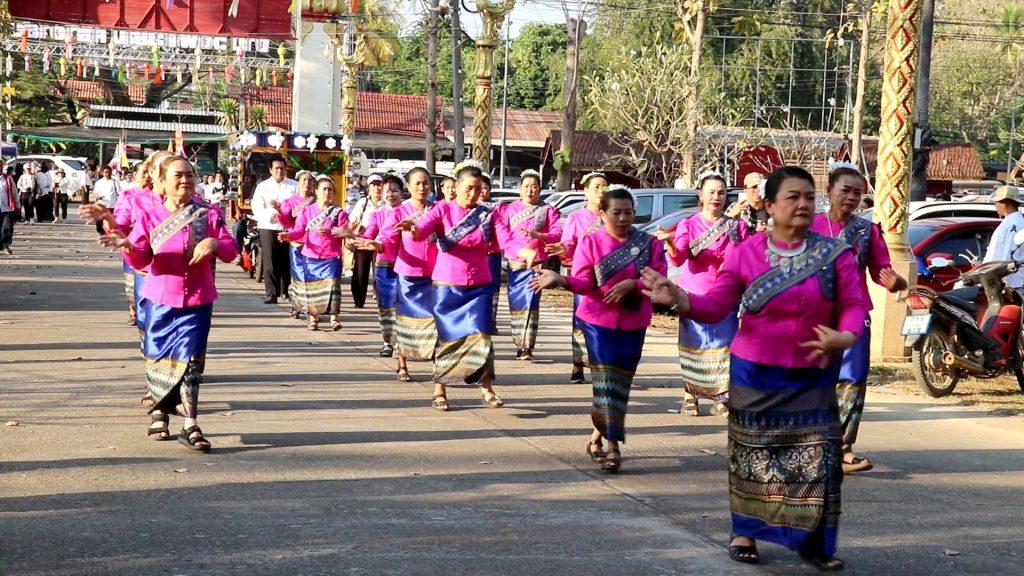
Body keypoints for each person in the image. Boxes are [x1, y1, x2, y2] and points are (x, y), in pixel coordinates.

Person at [642, 166, 868, 570]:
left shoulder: (835, 252)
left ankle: (814, 541)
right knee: (754, 459)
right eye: (792, 197)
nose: (802, 204)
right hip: (755, 372)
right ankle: (744, 530)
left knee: (820, 461)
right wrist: (677, 297)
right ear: (768, 206)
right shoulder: (744, 253)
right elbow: (715, 306)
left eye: (808, 197)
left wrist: (845, 337)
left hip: (811, 374)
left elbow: (855, 304)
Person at [99, 156, 238, 452]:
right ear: (161, 181)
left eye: (190, 175)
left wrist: (214, 244)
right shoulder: (149, 216)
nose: (185, 180)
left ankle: (191, 424)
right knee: (158, 357)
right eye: (178, 175)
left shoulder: (208, 214)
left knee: (191, 361)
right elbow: (141, 257)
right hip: (159, 298)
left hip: (197, 300)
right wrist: (126, 246)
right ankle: (160, 412)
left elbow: (230, 250)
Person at [531, 187, 666, 473]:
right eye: (615, 212)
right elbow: (584, 283)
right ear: (602, 213)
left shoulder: (649, 244)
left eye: (628, 212)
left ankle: (595, 438)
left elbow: (660, 278)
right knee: (605, 382)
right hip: (597, 322)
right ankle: (613, 446)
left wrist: (635, 285)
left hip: (633, 322)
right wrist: (560, 279)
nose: (622, 218)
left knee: (620, 385)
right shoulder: (591, 242)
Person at [811, 162, 907, 474]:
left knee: (852, 378)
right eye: (845, 190)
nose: (852, 197)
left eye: (858, 192)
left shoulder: (867, 231)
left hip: (854, 315)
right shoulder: (807, 227)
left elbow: (881, 269)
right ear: (829, 191)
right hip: (813, 314)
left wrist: (896, 282)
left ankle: (842, 447)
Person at [394, 161, 503, 411]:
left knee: (482, 337)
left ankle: (486, 388)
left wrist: (524, 250)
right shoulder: (442, 210)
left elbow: (506, 237)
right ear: (456, 186)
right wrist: (415, 230)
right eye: (469, 188)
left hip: (479, 285)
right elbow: (424, 228)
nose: (473, 194)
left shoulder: (487, 214)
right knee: (447, 339)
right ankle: (440, 389)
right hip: (447, 286)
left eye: (478, 189)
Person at [662, 172, 748, 417]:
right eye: (711, 192)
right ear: (701, 196)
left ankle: (722, 398)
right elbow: (679, 257)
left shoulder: (736, 226)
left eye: (721, 192)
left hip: (725, 296)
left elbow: (745, 257)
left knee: (724, 348)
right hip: (693, 294)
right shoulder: (688, 224)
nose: (716, 197)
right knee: (694, 346)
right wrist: (669, 245)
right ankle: (690, 396)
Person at [546, 171, 608, 383]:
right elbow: (568, 244)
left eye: (604, 187)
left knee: (606, 321)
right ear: (585, 191)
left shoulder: (612, 215)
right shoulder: (576, 217)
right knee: (582, 320)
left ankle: (603, 364)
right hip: (583, 275)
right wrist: (563, 248)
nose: (601, 192)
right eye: (596, 187)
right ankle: (578, 364)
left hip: (609, 276)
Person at [377, 168, 437, 384]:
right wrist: (376, 244)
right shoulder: (399, 212)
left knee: (433, 322)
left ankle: (435, 365)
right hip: (408, 275)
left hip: (433, 274)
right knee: (404, 320)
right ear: (409, 188)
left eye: (426, 183)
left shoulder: (438, 210)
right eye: (417, 184)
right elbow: (388, 238)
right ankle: (402, 364)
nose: (422, 188)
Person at [495, 169, 562, 360]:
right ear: (519, 188)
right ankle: (518, 342)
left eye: (534, 186)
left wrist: (540, 236)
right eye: (526, 186)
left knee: (531, 303)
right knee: (516, 301)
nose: (530, 190)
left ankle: (527, 347)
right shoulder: (507, 210)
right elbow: (503, 234)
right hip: (515, 262)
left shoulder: (548, 210)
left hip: (538, 263)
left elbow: (557, 232)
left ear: (540, 189)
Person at [279, 176, 353, 331]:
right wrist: (288, 236)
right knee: (312, 289)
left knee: (333, 287)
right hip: (310, 256)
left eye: (330, 189)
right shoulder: (307, 211)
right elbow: (299, 230)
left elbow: (346, 231)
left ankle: (334, 318)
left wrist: (331, 231)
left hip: (332, 256)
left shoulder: (339, 213)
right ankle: (313, 318)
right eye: (324, 189)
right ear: (317, 192)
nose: (327, 192)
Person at [353, 174, 405, 356]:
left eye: (395, 190)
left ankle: (403, 342)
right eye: (387, 191)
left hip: (407, 265)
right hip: (384, 264)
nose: (391, 194)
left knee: (404, 304)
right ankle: (387, 342)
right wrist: (354, 238)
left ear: (402, 191)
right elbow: (368, 235)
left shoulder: (409, 211)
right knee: (385, 304)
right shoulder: (378, 214)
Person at [251, 156, 297, 304]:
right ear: (270, 170)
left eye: (282, 168)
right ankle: (271, 293)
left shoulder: (294, 186)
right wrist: (271, 214)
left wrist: (287, 214)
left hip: (287, 228)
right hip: (268, 226)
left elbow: (298, 207)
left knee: (287, 260)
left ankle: (286, 291)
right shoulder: (262, 186)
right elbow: (257, 207)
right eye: (276, 168)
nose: (279, 171)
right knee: (270, 261)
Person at [277, 170, 317, 319]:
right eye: (304, 180)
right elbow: (286, 222)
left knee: (312, 277)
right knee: (298, 276)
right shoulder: (290, 202)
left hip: (314, 245)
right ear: (298, 183)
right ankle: (297, 305)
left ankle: (312, 307)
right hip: (297, 243)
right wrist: (279, 213)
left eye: (310, 180)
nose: (307, 183)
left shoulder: (319, 201)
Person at [348, 174, 386, 308]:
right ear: (369, 187)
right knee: (360, 271)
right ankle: (359, 301)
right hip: (363, 240)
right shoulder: (363, 202)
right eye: (373, 185)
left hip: (381, 243)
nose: (377, 188)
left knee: (380, 271)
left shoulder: (387, 204)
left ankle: (382, 298)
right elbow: (353, 221)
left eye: (379, 185)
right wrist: (349, 236)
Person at [983, 185, 1024, 288]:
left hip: (1009, 282)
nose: (995, 205)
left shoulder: (1015, 224)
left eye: (997, 202)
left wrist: (999, 279)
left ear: (1006, 202)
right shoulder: (1009, 221)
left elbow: (1008, 256)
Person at [478, 173, 503, 334]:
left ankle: (491, 321)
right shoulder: (466, 208)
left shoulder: (497, 208)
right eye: (479, 188)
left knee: (493, 289)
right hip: (475, 256)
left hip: (492, 255)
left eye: (485, 188)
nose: (482, 191)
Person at [92, 166, 121, 232]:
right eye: (106, 172)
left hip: (112, 205)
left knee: (110, 222)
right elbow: (95, 193)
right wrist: (97, 196)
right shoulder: (99, 182)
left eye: (109, 172)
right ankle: (101, 232)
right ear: (102, 173)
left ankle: (108, 233)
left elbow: (119, 193)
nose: (107, 174)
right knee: (99, 221)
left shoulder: (115, 182)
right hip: (101, 204)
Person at [0, 166, 17, 255]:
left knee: (7, 227)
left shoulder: (7, 178)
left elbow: (14, 192)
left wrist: (17, 203)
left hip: (7, 207)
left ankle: (5, 245)